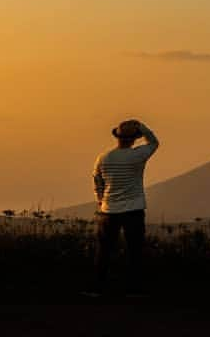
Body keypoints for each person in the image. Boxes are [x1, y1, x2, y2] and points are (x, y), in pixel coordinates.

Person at [87, 119, 160, 296]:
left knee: (104, 250)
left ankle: (98, 288)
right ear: (134, 139)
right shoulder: (138, 155)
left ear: (117, 137)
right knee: (135, 250)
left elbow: (97, 182)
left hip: (108, 210)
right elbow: (154, 142)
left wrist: (101, 200)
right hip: (133, 210)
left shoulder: (103, 158)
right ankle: (133, 289)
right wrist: (141, 126)